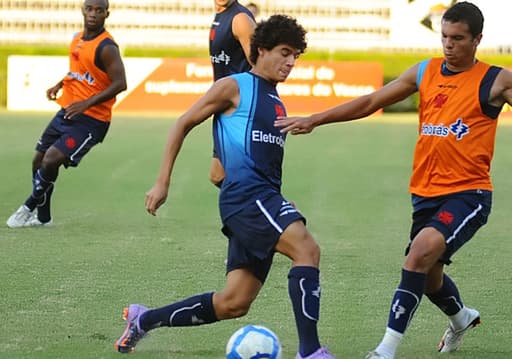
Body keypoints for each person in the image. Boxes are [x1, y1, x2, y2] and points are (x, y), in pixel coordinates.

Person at [274, 2, 512, 358]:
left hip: (469, 194)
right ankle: (461, 318)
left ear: (477, 39)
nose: (449, 45)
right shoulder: (425, 71)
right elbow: (371, 101)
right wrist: (317, 119)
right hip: (424, 194)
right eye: (445, 37)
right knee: (430, 277)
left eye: (458, 38)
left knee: (417, 256)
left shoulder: (496, 81)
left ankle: (385, 350)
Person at [115, 15, 335, 359]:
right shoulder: (234, 86)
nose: (291, 62)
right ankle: (310, 352)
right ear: (261, 50)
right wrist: (162, 182)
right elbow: (182, 123)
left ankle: (145, 319)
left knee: (233, 303)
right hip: (248, 198)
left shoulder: (276, 100)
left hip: (258, 200)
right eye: (284, 52)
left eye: (295, 55)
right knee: (308, 250)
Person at [5, 0, 126, 228]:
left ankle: (29, 206)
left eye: (99, 10)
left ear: (106, 14)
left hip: (92, 120)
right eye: (89, 9)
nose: (93, 14)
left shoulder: (107, 47)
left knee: (51, 160)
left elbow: (121, 83)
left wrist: (87, 104)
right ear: (83, 10)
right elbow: (78, 71)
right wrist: (59, 84)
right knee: (38, 160)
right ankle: (43, 218)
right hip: (68, 111)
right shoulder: (76, 39)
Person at [209, 0, 256, 187]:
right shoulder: (221, 15)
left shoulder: (240, 19)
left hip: (239, 109)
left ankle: (278, 209)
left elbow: (261, 66)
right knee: (218, 175)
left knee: (242, 174)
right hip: (224, 107)